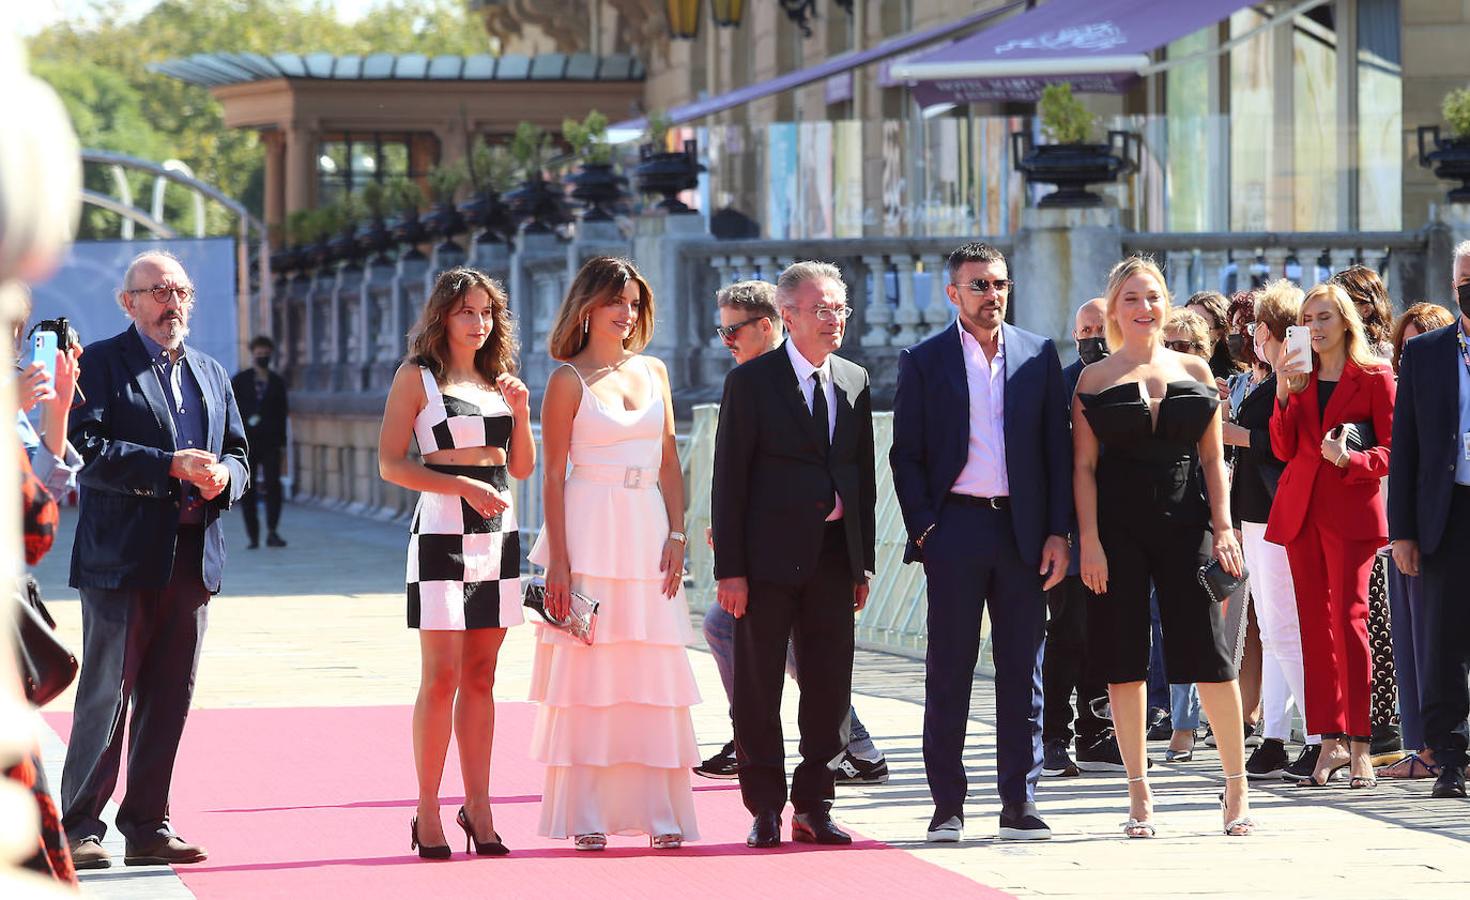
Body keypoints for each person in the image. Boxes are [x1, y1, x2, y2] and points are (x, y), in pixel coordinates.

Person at [61, 250, 250, 869]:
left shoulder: (211, 373)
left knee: (169, 697)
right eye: (158, 291)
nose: (172, 303)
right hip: (121, 560)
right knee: (107, 695)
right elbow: (84, 449)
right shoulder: (101, 365)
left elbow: (241, 455)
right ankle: (80, 825)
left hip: (192, 560)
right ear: (129, 302)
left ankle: (146, 824)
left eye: (181, 291)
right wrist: (169, 466)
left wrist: (226, 473)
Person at [891, 242, 1071, 842]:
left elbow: (1056, 450)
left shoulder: (1037, 354)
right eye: (978, 285)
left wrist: (1057, 531)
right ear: (953, 293)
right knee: (950, 670)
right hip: (956, 530)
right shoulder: (923, 359)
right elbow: (906, 454)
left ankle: (1020, 802)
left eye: (998, 284)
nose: (991, 295)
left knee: (1023, 670)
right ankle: (947, 805)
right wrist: (926, 529)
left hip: (1022, 532)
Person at [1073, 257, 1253, 838]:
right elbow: (1083, 469)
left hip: (1188, 526)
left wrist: (1224, 528)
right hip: (1117, 532)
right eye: (1131, 298)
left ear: (1166, 303)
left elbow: (1211, 459)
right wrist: (1091, 543)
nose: (1143, 308)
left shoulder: (1197, 370)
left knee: (1210, 655)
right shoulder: (1093, 381)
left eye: (1152, 297)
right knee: (1124, 661)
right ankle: (1139, 792)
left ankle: (1236, 786)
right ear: (1113, 309)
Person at [531, 256, 701, 849]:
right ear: (587, 307)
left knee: (650, 668)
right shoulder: (564, 380)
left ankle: (661, 815)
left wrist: (678, 534)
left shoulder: (654, 370)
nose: (626, 315)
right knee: (592, 671)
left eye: (633, 303)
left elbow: (669, 460)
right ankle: (588, 816)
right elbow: (552, 476)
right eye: (615, 302)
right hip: (589, 528)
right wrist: (559, 561)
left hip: (647, 528)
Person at [696, 280, 887, 785]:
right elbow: (729, 479)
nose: (835, 319)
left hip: (831, 558)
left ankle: (816, 804)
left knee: (827, 689)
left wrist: (860, 562)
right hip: (767, 562)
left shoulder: (854, 378)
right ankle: (764, 808)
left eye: (840, 308)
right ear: (787, 314)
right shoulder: (752, 382)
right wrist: (731, 570)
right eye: (823, 309)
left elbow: (860, 477)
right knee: (759, 690)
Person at [378, 268, 532, 859]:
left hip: (499, 530)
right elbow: (392, 464)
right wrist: (462, 485)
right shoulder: (417, 376)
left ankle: (481, 807)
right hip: (442, 527)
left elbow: (520, 468)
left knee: (483, 677)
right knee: (441, 677)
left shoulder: (500, 381)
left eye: (488, 313)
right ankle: (426, 809)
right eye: (468, 311)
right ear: (443, 315)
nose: (479, 322)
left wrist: (521, 413)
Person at [1267, 281, 1395, 789]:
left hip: (1352, 512)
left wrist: (1352, 459)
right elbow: (1281, 448)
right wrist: (1281, 390)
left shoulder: (1375, 374)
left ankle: (1361, 744)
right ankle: (1328, 743)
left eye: (1324, 318)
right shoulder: (1299, 376)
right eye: (1308, 319)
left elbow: (1392, 451)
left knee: (1349, 622)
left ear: (1345, 321)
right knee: (1313, 630)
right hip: (1302, 513)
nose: (1315, 328)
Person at [1221, 280, 1314, 780]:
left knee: (1285, 628)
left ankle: (1317, 737)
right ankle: (1276, 734)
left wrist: (1233, 432)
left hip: (1278, 512)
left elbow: (1285, 444)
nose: (1251, 336)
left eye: (1257, 326)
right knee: (1277, 632)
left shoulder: (1293, 375)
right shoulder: (1269, 377)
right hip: (1256, 513)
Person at [1388, 244, 1470, 799]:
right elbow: (1406, 448)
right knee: (1441, 638)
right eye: (1466, 279)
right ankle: (1450, 758)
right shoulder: (1428, 353)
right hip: (1448, 510)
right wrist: (1403, 532)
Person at [1379, 301, 1456, 781]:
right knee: (1430, 645)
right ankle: (1437, 752)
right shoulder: (1413, 374)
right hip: (1427, 527)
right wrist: (1402, 532)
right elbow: (1402, 456)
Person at [1042, 297, 1115, 778]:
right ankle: (1053, 737)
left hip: (1120, 531)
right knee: (1066, 635)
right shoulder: (1061, 383)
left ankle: (1097, 731)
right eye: (1084, 331)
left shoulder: (1137, 377)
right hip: (1072, 530)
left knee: (1107, 637)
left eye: (1100, 329)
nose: (1092, 338)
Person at [232, 335, 289, 548]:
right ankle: (253, 535)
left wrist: (283, 444)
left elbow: (283, 414)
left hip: (271, 442)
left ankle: (273, 530)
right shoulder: (240, 380)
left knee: (273, 485)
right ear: (252, 355)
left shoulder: (277, 382)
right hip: (247, 442)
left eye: (266, 355)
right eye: (259, 355)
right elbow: (232, 410)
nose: (262, 358)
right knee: (249, 487)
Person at [1331, 265, 1395, 361]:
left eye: (1341, 306)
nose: (1332, 311)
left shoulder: (1385, 355)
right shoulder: (1328, 350)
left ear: (1366, 310)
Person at [1185, 290, 1244, 380]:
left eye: (1200, 322)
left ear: (1219, 333)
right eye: (1186, 320)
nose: (1190, 328)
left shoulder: (1228, 380)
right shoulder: (1168, 364)